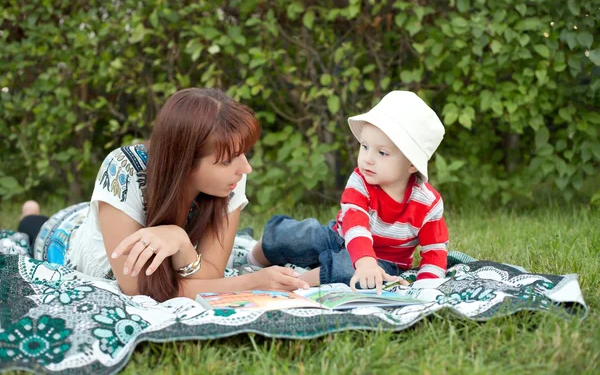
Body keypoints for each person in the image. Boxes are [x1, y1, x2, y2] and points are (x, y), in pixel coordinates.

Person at [15, 88, 309, 302]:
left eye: (243, 154)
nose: (246, 167)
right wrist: (252, 282)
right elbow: (138, 289)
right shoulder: (123, 169)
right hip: (69, 237)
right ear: (185, 162)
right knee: (34, 228)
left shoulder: (231, 178)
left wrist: (180, 240)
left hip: (116, 213)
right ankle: (30, 213)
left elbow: (208, 274)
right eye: (228, 160)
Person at [248, 91, 449, 293]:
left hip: (384, 260)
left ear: (412, 164)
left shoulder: (428, 203)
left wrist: (426, 286)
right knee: (298, 235)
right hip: (339, 237)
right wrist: (364, 260)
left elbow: (435, 249)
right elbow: (355, 223)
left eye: (382, 153)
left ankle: (299, 282)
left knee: (349, 271)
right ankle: (254, 257)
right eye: (364, 146)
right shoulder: (360, 181)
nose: (368, 159)